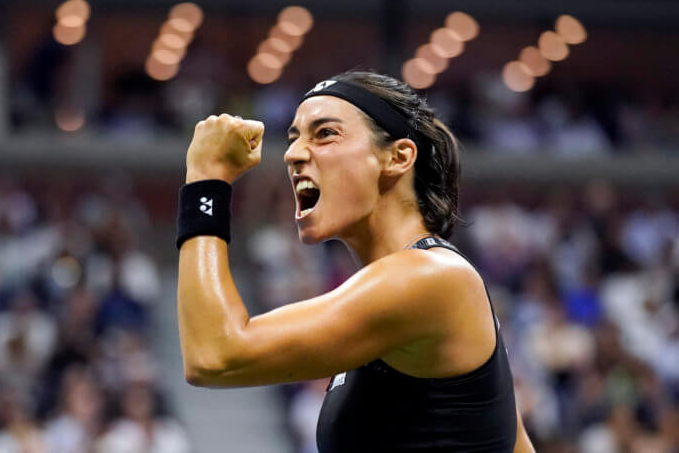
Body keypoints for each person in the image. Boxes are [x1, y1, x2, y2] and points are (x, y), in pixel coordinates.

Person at [176, 70, 535, 452]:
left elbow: (214, 355)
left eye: (325, 133)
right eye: (294, 138)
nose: (293, 153)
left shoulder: (430, 277)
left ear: (398, 158)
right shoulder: (425, 284)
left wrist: (205, 182)